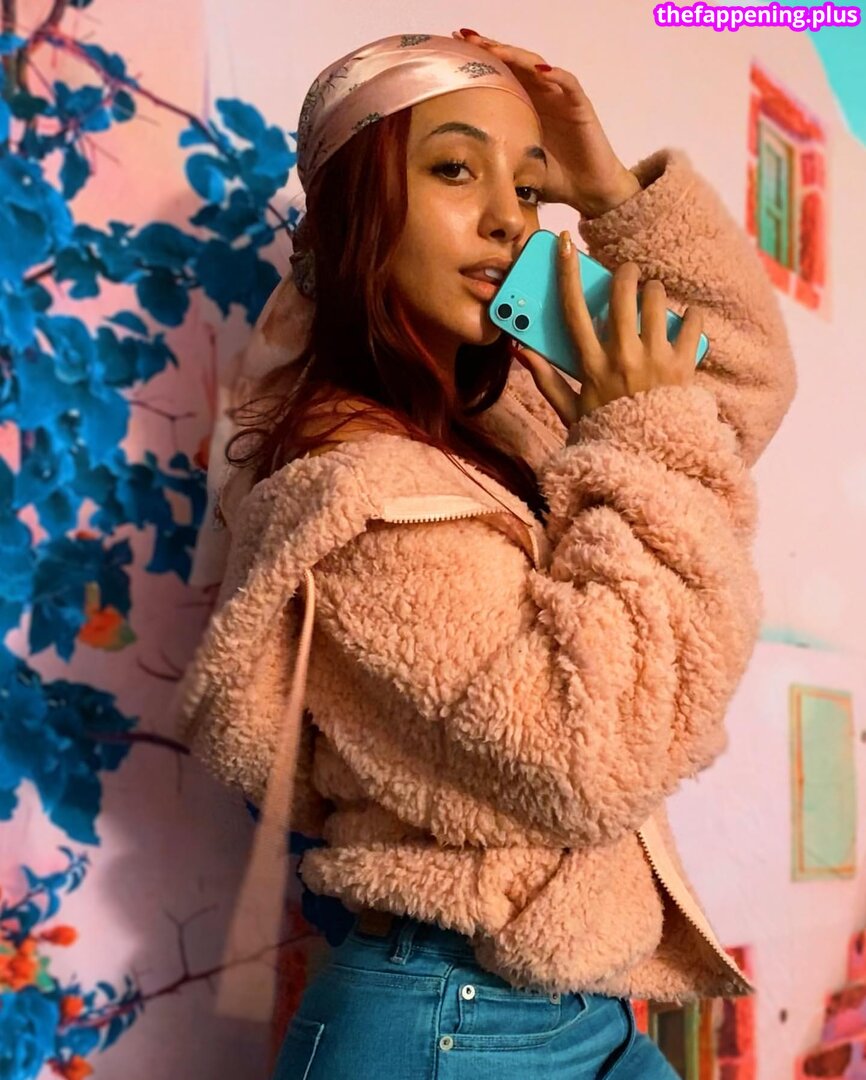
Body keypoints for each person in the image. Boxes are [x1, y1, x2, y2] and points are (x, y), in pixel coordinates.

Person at [174, 29, 797, 1079]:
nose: (510, 217)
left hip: (569, 1006)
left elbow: (731, 387)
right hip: (449, 1022)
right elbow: (587, 759)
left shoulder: (509, 421)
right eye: (455, 169)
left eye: (530, 185)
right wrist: (636, 436)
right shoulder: (356, 494)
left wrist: (609, 191)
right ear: (356, 209)